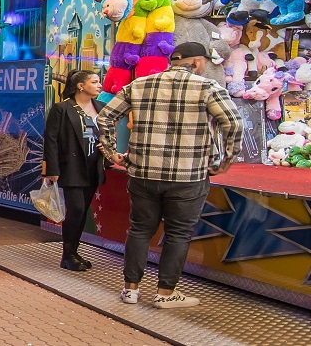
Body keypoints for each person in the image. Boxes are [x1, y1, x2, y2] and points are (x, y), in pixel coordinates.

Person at [97, 41, 242, 309]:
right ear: (197, 62)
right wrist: (226, 159)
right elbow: (233, 122)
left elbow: (105, 117)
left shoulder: (139, 85)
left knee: (139, 229)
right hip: (189, 176)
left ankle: (131, 290)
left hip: (143, 173)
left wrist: (111, 152)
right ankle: (166, 293)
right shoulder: (208, 88)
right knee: (178, 233)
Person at [43, 68, 107, 272]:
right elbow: (51, 139)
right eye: (95, 82)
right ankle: (67, 254)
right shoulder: (62, 108)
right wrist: (51, 168)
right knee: (76, 208)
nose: (99, 85)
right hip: (71, 166)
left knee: (82, 211)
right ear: (81, 86)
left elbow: (108, 133)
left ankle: (74, 251)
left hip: (93, 165)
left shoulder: (101, 107)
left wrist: (107, 147)